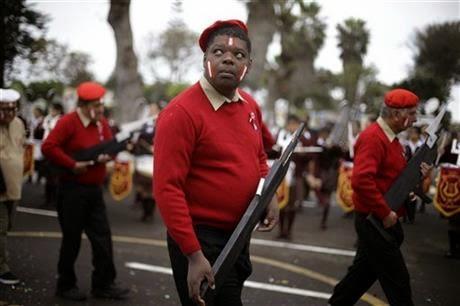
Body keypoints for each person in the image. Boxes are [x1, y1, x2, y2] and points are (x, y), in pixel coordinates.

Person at [154, 20, 278, 306]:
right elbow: (167, 189)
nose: (228, 59)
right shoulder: (180, 113)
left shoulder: (250, 105)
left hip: (239, 233)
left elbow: (258, 156)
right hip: (201, 239)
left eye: (238, 55)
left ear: (249, 63)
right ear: (205, 58)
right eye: (219, 52)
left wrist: (268, 195)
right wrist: (194, 255)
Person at [329, 88, 431, 306]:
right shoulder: (374, 137)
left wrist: (415, 179)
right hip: (375, 222)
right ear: (396, 114)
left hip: (378, 221)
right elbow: (361, 181)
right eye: (412, 114)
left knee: (359, 278)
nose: (415, 120)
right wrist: (384, 212)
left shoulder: (392, 139)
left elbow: (391, 178)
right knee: (399, 283)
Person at [41, 82, 129, 301]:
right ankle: (65, 285)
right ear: (83, 105)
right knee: (72, 239)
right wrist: (71, 164)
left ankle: (103, 284)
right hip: (72, 190)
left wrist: (110, 157)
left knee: (103, 238)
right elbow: (48, 147)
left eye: (101, 103)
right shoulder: (68, 122)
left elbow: (109, 145)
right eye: (96, 104)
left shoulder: (101, 124)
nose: (101, 108)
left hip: (94, 191)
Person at [0, 89, 26, 285]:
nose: (9, 113)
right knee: (0, 227)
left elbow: (21, 148)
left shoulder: (18, 124)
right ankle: (3, 267)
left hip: (14, 186)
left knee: (8, 225)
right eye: (5, 109)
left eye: (12, 108)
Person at [41, 102, 64, 207]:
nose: (51, 112)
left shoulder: (61, 120)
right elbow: (44, 127)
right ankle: (48, 198)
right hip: (46, 149)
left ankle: (54, 199)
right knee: (48, 175)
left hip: (55, 149)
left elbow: (56, 132)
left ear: (58, 111)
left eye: (53, 110)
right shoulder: (48, 118)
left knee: (54, 176)